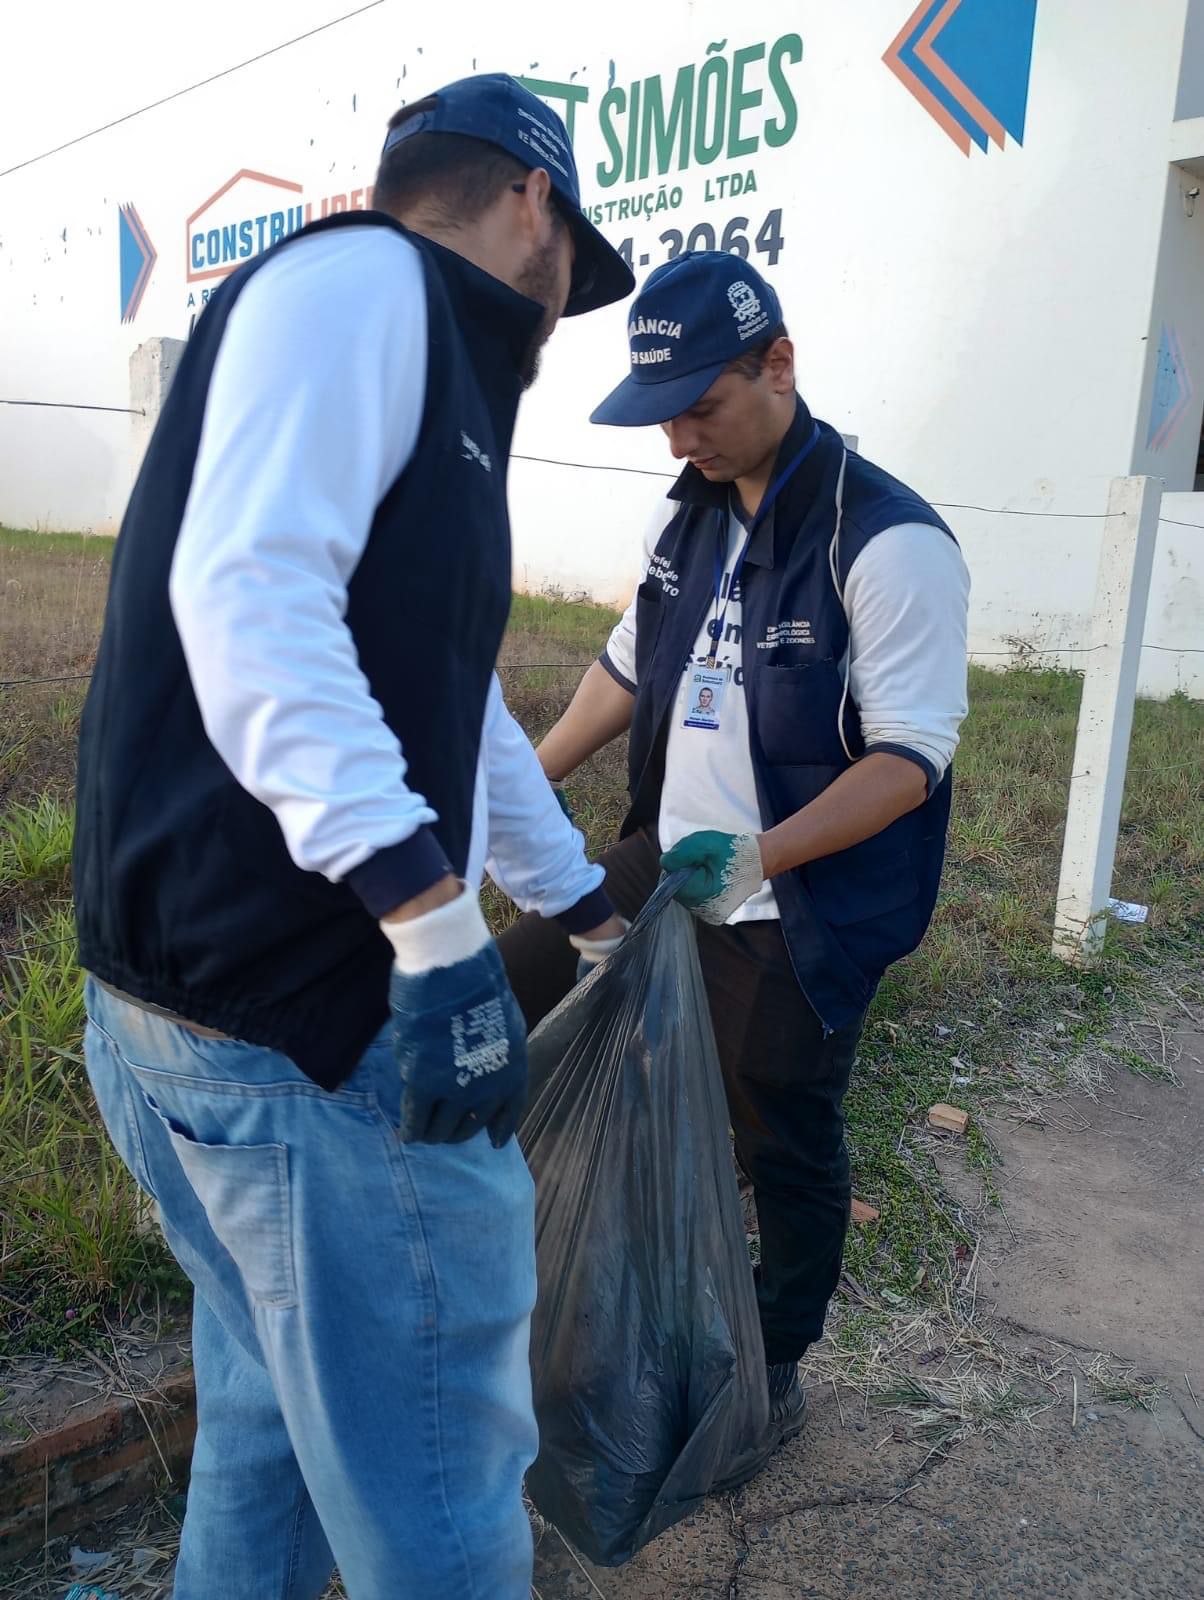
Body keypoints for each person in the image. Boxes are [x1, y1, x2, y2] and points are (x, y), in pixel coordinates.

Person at [73, 75, 631, 1599]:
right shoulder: (371, 281)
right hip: (310, 1042)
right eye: (575, 257)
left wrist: (576, 900)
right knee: (442, 1503)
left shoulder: (400, 358)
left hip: (199, 1028)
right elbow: (249, 604)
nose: (567, 298)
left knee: (267, 1425)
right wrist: (440, 936)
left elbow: (457, 716)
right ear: (533, 201)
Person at [499, 251, 970, 1466]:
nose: (676, 443)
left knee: (779, 1131)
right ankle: (545, 1294)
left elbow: (909, 760)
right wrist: (524, 784)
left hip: (795, 903)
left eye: (700, 410)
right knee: (500, 1004)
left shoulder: (885, 538)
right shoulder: (692, 511)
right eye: (661, 417)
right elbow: (624, 664)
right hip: (666, 857)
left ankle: (769, 1363)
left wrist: (760, 856)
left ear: (780, 364)